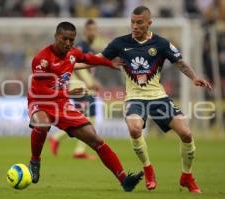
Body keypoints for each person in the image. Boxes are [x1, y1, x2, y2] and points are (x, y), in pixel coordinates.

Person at [91, 6, 212, 193]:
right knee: (134, 128)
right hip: (135, 98)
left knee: (186, 134)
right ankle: (148, 169)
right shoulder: (119, 43)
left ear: (149, 23)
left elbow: (179, 62)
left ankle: (186, 176)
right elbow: (94, 59)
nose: (135, 26)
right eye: (132, 22)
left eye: (139, 22)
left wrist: (195, 77)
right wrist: (70, 65)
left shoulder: (161, 43)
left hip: (159, 98)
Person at [27, 21, 143, 192]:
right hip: (40, 101)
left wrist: (109, 63)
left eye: (71, 40)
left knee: (95, 139)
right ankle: (35, 161)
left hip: (62, 104)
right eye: (64, 39)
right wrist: (68, 92)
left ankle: (124, 179)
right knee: (42, 125)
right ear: (56, 37)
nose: (67, 43)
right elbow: (44, 90)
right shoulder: (41, 60)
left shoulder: (72, 53)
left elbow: (88, 58)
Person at [49, 19, 102, 160]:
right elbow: (74, 64)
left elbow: (88, 69)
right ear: (85, 31)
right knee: (83, 121)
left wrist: (93, 81)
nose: (93, 32)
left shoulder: (90, 48)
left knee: (88, 119)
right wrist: (88, 82)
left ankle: (77, 149)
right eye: (90, 29)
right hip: (79, 87)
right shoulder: (80, 46)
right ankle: (57, 138)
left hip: (85, 87)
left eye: (94, 29)